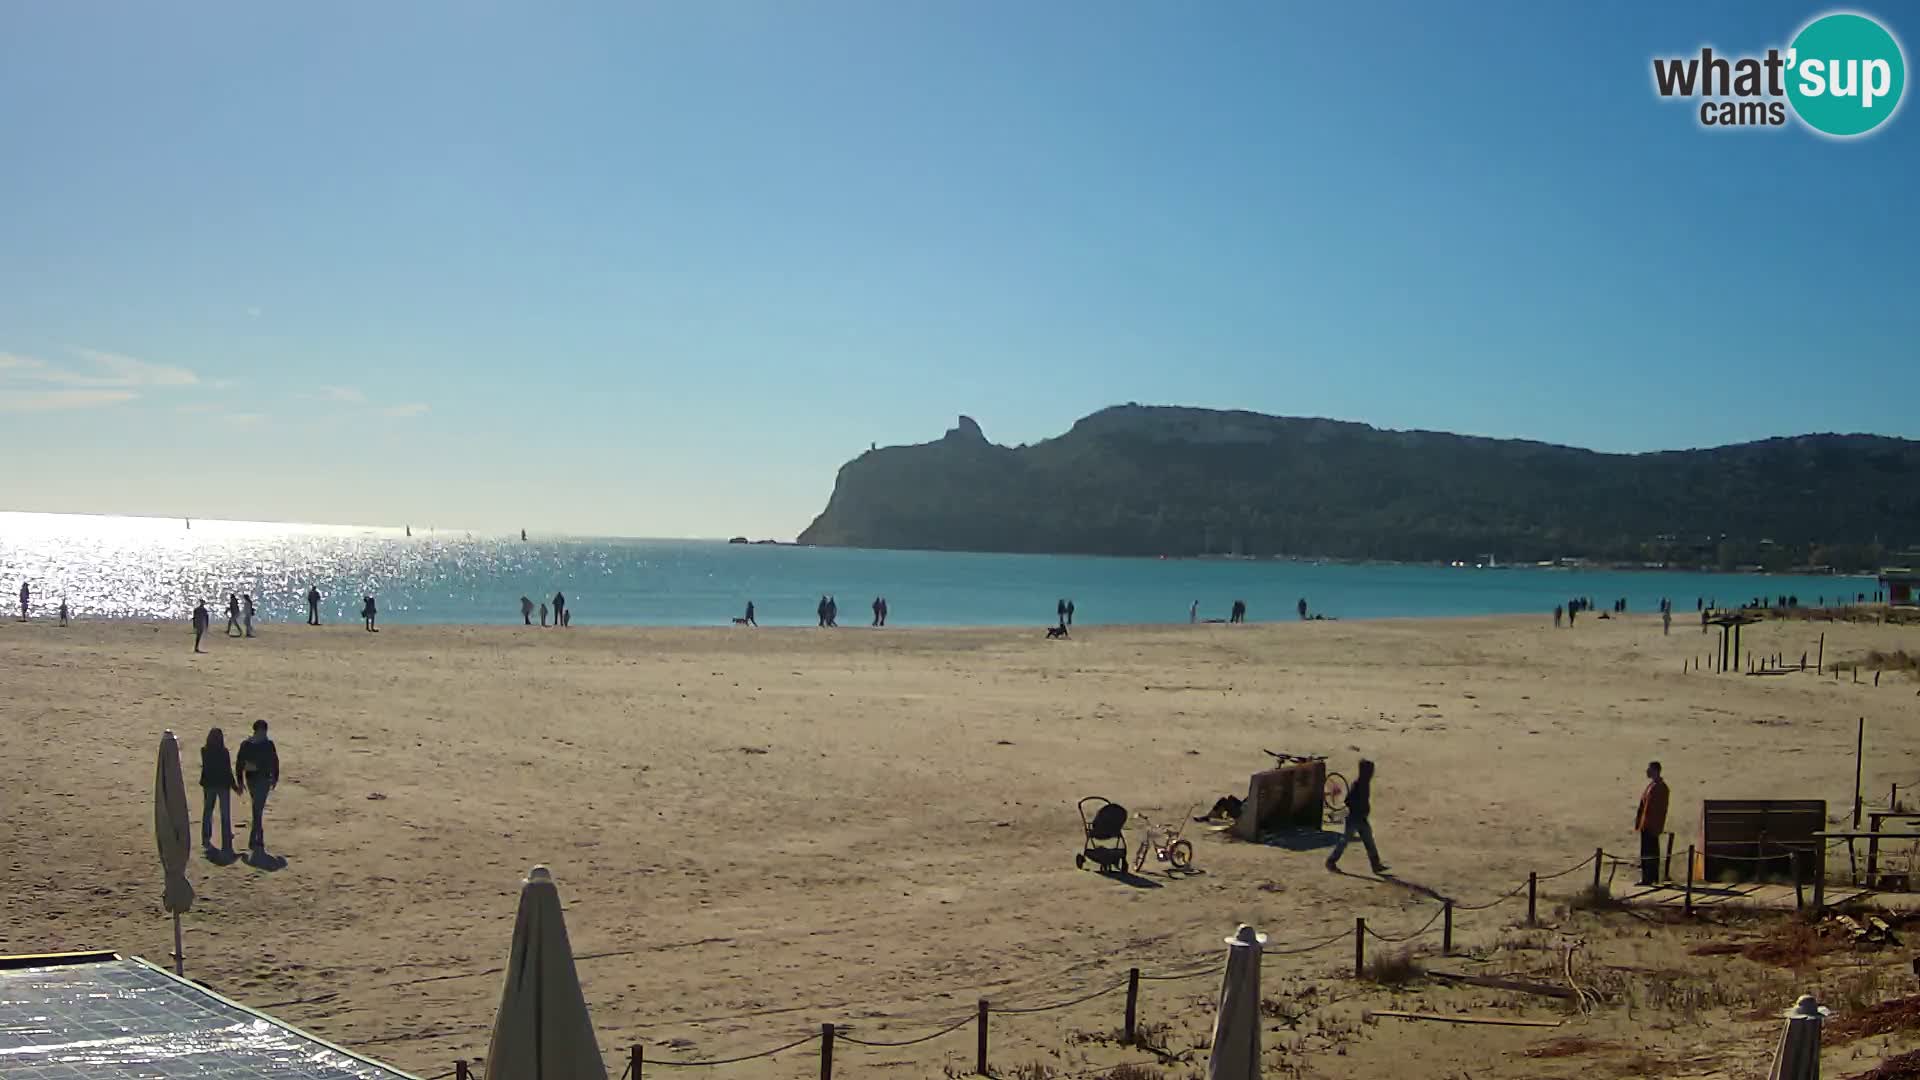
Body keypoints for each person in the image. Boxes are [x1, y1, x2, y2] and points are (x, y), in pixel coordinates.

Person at [1326, 759, 1388, 875]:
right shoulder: (1358, 785)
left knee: (1369, 841)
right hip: (1354, 819)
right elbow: (1348, 801)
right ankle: (1331, 861)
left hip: (1361, 818)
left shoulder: (1364, 784)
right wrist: (1358, 809)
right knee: (1345, 842)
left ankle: (1376, 865)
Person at [236, 720, 280, 854]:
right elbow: (240, 763)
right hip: (254, 780)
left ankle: (256, 839)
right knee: (257, 808)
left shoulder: (264, 744)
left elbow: (275, 762)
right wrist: (240, 781)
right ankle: (257, 839)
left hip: (262, 780)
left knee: (257, 808)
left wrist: (275, 778)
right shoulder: (249, 744)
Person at [199, 727, 239, 855]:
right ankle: (226, 838)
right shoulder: (224, 752)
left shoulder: (204, 751)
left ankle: (206, 838)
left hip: (209, 784)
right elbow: (227, 771)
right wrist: (235, 786)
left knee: (208, 812)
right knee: (225, 813)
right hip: (223, 784)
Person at [1635, 761, 1670, 887]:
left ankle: (1649, 878)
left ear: (1656, 771)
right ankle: (1649, 877)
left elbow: (1660, 809)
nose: (1647, 771)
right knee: (1647, 851)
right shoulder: (1651, 786)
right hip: (1646, 824)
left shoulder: (1661, 787)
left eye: (1650, 769)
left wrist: (1656, 825)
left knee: (1650, 852)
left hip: (1652, 825)